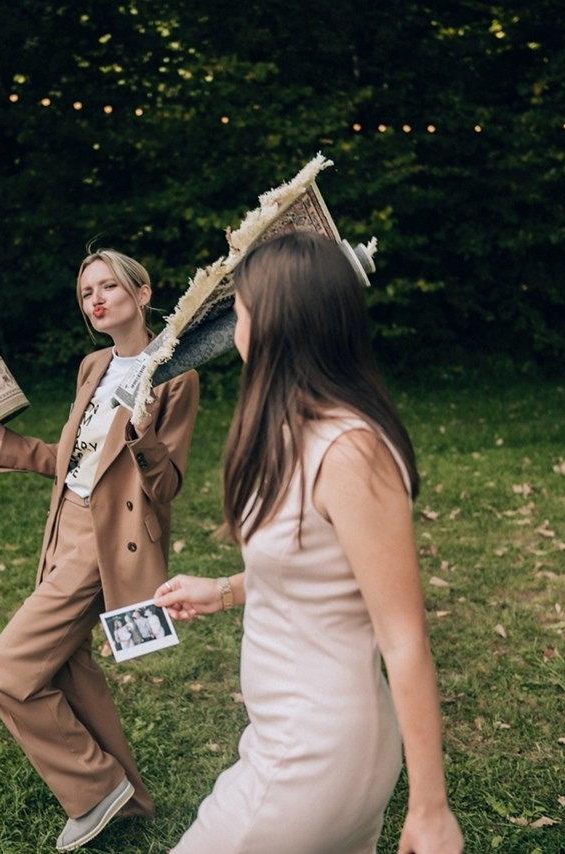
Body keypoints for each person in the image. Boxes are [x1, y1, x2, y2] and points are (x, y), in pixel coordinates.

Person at [153, 231, 463, 854]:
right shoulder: (292, 426)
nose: (232, 327)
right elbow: (318, 571)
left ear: (279, 322)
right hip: (290, 740)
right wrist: (223, 591)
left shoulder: (350, 450)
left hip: (312, 758)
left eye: (239, 311)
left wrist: (430, 809)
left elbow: (404, 639)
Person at [0, 248, 200, 851]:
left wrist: (144, 435)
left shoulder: (177, 373)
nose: (96, 300)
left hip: (106, 543)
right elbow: (73, 462)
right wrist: (10, 444)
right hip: (61, 529)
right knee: (71, 674)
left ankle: (96, 787)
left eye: (109, 287)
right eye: (86, 293)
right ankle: (132, 802)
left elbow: (166, 485)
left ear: (143, 293)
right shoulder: (93, 365)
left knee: (5, 671)